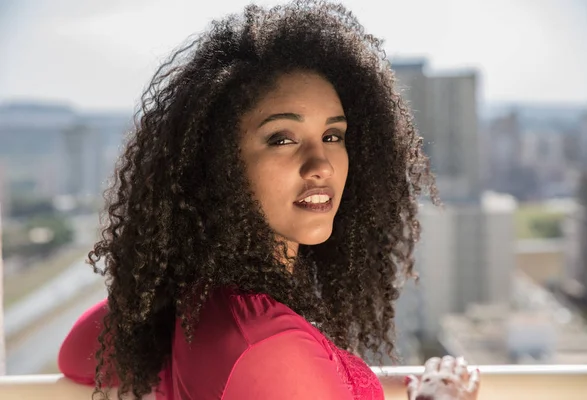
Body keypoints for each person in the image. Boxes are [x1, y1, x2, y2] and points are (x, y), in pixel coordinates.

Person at [58, 1, 480, 399]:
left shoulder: (198, 298)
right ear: (218, 164)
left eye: (333, 136)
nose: (322, 165)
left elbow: (77, 355)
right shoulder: (269, 347)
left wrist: (160, 287)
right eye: (282, 138)